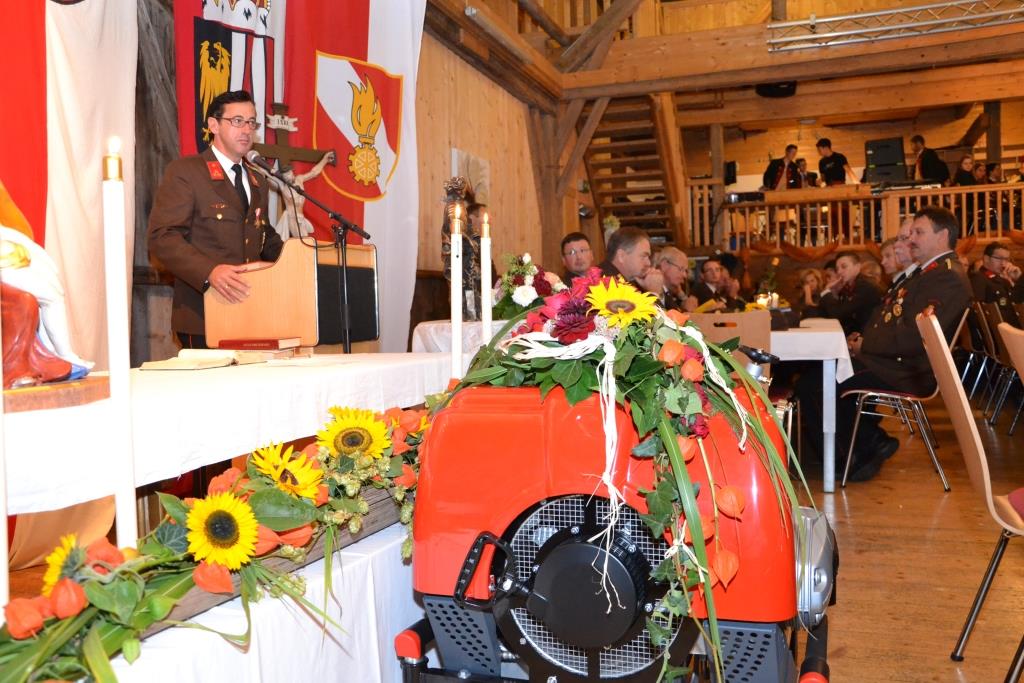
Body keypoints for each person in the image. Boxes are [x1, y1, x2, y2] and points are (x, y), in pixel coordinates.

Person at [800, 206, 971, 482]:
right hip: (895, 360)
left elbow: (913, 337)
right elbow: (893, 323)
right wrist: (862, 342)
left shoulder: (946, 276)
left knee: (815, 383)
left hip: (909, 369)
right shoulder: (931, 272)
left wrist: (864, 346)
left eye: (918, 232)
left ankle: (851, 458)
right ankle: (866, 442)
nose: (911, 239)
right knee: (818, 375)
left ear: (942, 236)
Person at [149, 90, 284, 349]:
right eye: (237, 121)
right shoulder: (188, 172)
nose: (246, 130)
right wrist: (209, 271)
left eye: (251, 122)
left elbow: (263, 236)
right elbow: (163, 237)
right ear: (214, 125)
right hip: (203, 312)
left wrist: (300, 257)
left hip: (252, 313)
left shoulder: (258, 180)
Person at [254, 150, 335, 239]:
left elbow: (314, 172)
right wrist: (256, 164)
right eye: (285, 175)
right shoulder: (283, 186)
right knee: (303, 240)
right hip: (292, 218)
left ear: (292, 172)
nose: (288, 176)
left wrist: (324, 160)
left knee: (305, 241)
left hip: (301, 217)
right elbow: (267, 174)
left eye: (289, 173)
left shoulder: (299, 179)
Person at [805, 251, 881, 334]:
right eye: (837, 269)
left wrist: (826, 291)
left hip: (869, 336)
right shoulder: (848, 287)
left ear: (857, 267)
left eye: (844, 267)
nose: (839, 272)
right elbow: (826, 314)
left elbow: (838, 314)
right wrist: (834, 294)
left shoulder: (864, 286)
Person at [970, 241, 1022, 325]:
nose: (1003, 263)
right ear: (986, 259)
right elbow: (977, 312)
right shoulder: (979, 278)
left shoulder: (1002, 280)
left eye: (1006, 259)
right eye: (999, 258)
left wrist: (1018, 278)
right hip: (999, 329)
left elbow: (1016, 301)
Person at [652, 246, 696, 311]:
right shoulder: (652, 291)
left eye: (685, 271)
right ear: (664, 265)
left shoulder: (668, 292)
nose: (685, 275)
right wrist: (688, 311)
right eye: (681, 269)